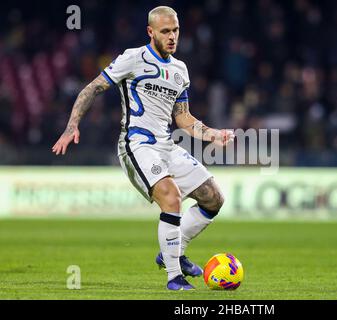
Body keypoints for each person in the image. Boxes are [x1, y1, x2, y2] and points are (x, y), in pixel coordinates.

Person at [52, 6, 234, 291]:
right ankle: (174, 277)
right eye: (165, 31)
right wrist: (72, 125)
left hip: (166, 145)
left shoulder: (179, 70)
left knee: (213, 198)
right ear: (151, 32)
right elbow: (92, 88)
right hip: (137, 144)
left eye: (175, 30)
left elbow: (182, 117)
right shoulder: (133, 58)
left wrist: (212, 134)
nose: (172, 36)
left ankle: (172, 252)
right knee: (171, 198)